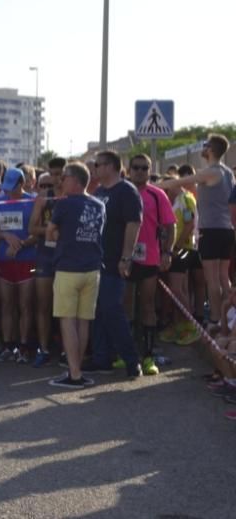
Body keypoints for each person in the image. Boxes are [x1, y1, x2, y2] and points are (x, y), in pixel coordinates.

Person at [160, 134, 234, 333]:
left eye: (205, 145)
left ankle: (216, 321)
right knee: (222, 277)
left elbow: (178, 182)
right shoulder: (228, 173)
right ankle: (231, 318)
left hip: (211, 231)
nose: (203, 148)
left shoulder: (211, 172)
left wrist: (152, 186)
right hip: (226, 230)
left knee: (212, 279)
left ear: (211, 150)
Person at [47, 162, 106, 389]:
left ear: (76, 180)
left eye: (65, 177)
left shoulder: (64, 204)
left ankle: (74, 374)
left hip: (68, 269)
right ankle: (77, 369)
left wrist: (62, 234)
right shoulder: (99, 205)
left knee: (67, 320)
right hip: (92, 269)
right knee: (83, 322)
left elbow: (51, 231)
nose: (62, 181)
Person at [85, 150, 143, 378]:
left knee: (111, 308)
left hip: (116, 260)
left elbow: (133, 224)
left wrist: (126, 257)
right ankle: (102, 358)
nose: (95, 170)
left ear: (109, 166)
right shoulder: (99, 191)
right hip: (96, 260)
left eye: (98, 165)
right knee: (98, 310)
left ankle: (131, 359)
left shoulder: (126, 191)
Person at [124, 153, 175, 375]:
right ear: (129, 169)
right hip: (125, 258)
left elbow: (169, 226)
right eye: (136, 167)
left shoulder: (157, 194)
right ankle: (126, 353)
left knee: (147, 305)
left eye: (145, 168)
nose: (140, 172)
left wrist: (167, 252)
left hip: (150, 258)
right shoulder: (122, 192)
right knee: (125, 306)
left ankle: (148, 355)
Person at [0, 167, 38, 363]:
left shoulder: (33, 201)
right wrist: (5, 236)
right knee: (7, 305)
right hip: (4, 259)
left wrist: (21, 245)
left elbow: (37, 233)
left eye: (12, 187)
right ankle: (8, 345)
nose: (8, 191)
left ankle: (24, 347)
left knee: (25, 305)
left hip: (27, 259)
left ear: (21, 183)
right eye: (6, 187)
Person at [161, 166, 201, 346]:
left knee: (177, 289)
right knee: (177, 290)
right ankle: (180, 326)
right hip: (177, 248)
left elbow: (189, 223)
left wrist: (176, 246)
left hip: (183, 249)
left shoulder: (185, 199)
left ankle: (192, 325)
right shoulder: (176, 199)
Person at [28, 171, 58, 366]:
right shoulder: (39, 202)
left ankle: (64, 349)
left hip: (65, 257)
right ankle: (43, 347)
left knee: (65, 307)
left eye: (50, 185)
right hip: (44, 256)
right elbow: (32, 228)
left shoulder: (66, 200)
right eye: (43, 186)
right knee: (43, 305)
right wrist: (51, 231)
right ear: (37, 187)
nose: (47, 189)